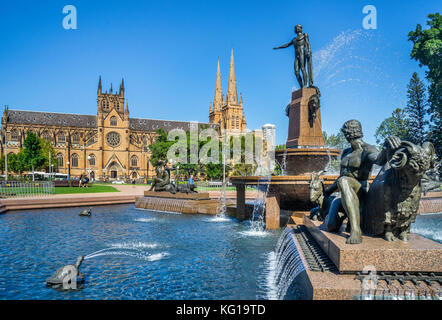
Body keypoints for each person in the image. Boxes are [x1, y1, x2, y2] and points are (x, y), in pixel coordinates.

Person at [324, 120, 400, 244]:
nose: (345, 135)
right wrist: (328, 191)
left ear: (349, 133)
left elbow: (379, 160)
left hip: (361, 191)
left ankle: (355, 230)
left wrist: (387, 147)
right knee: (331, 225)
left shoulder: (368, 149)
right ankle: (331, 214)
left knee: (344, 181)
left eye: (346, 132)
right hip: (344, 191)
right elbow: (340, 177)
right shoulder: (346, 152)